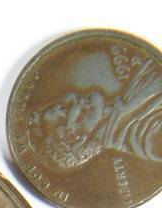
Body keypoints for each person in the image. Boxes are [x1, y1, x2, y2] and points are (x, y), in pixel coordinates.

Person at [28, 58, 162, 169]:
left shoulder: (125, 105)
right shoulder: (149, 139)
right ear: (76, 138)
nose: (71, 96)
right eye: (65, 109)